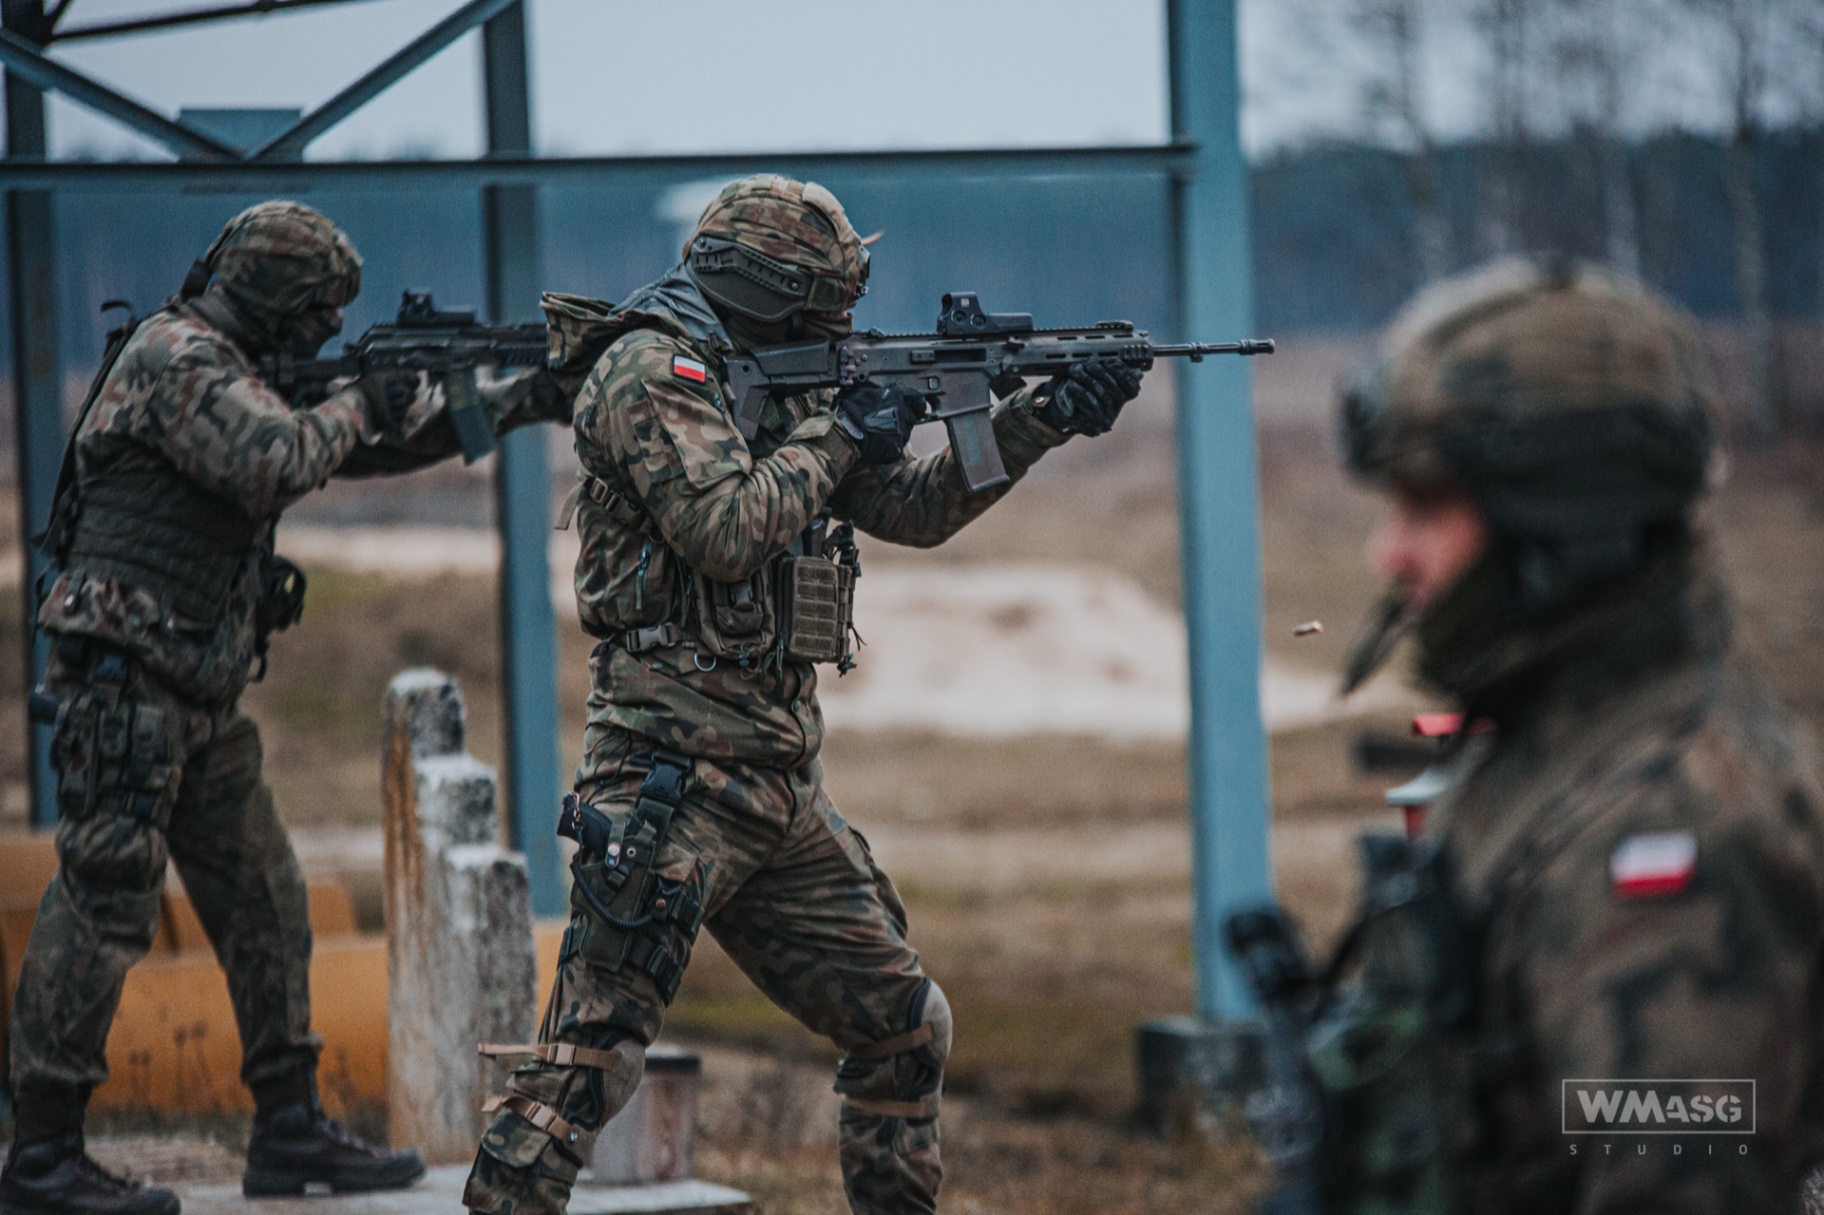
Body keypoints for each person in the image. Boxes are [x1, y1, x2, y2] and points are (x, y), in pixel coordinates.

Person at [461, 174, 1146, 1215]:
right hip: (669, 782)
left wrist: (1041, 417)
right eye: (826, 298)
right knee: (580, 1075)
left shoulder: (786, 375)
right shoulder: (650, 370)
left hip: (777, 783)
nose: (845, 319)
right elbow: (725, 529)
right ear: (768, 290)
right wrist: (842, 433)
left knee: (905, 1025)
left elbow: (914, 508)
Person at [0, 200, 569, 1215]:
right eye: (316, 317)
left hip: (194, 692)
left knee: (266, 898)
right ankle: (42, 1153)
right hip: (129, 687)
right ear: (277, 295)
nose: (323, 339)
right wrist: (364, 398)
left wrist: (516, 399)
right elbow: (279, 458)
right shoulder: (178, 360)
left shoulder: (244, 372)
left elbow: (353, 448)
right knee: (104, 903)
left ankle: (289, 1127)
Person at [1312, 256, 1824, 1212]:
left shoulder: (1670, 834)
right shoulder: (1553, 750)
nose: (1391, 552)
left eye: (1425, 507)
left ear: (1558, 518)